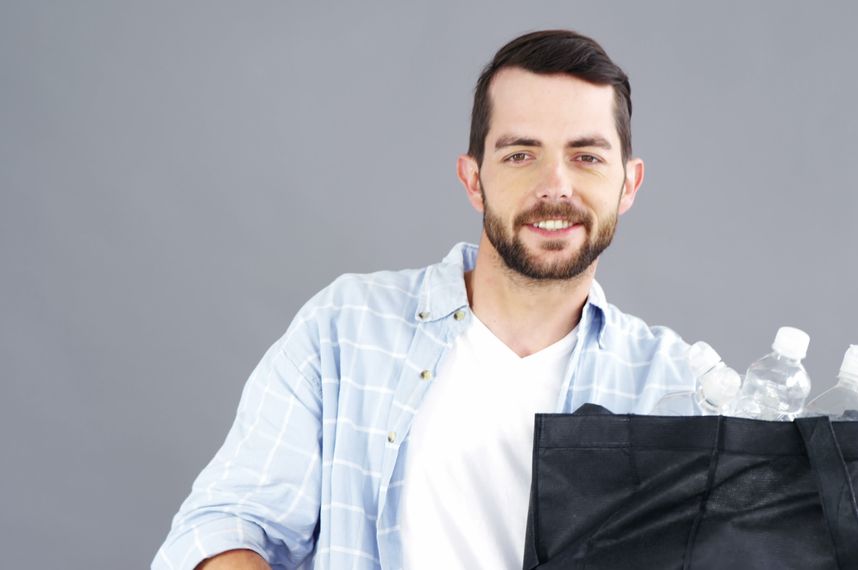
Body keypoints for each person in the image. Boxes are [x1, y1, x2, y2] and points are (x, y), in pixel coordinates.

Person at [153, 30, 700, 570]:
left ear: (629, 184)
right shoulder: (345, 329)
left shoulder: (675, 386)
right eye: (519, 155)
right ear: (473, 179)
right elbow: (224, 523)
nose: (554, 186)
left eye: (586, 157)